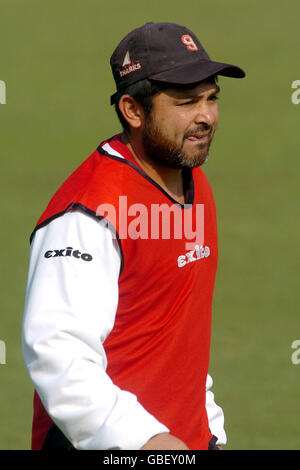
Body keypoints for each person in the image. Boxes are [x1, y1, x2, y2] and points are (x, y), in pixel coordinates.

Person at [22, 22, 245, 450]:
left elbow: (180, 339)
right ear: (133, 110)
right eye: (186, 102)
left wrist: (209, 432)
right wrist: (146, 441)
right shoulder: (88, 215)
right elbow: (59, 353)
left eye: (211, 98)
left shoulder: (194, 184)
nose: (206, 116)